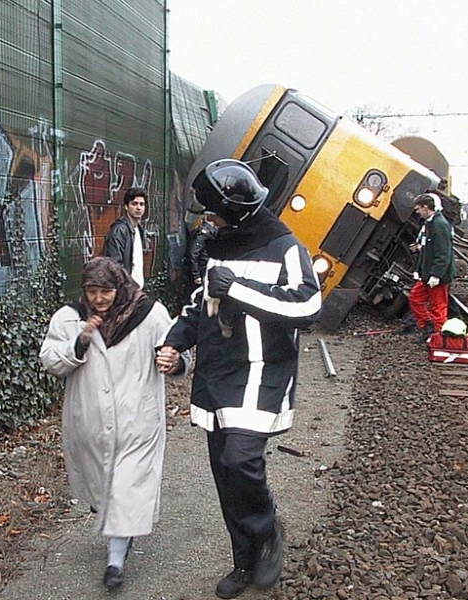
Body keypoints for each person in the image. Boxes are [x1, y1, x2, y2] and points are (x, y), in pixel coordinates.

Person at [156, 159, 322, 599]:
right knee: (224, 475)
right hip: (218, 372)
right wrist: (176, 342)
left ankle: (267, 531)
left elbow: (308, 308)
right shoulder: (219, 244)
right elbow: (200, 302)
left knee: (240, 460)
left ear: (235, 209)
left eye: (212, 213)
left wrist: (239, 290)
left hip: (263, 372)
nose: (207, 221)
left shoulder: (285, 246)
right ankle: (244, 562)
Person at [39, 257, 187, 589]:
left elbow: (176, 349)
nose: (99, 299)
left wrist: (174, 362)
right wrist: (80, 342)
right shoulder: (70, 317)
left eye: (105, 291)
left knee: (125, 489)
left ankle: (115, 561)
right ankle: (118, 530)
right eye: (92, 291)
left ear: (118, 287)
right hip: (89, 423)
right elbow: (50, 359)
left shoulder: (148, 314)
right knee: (102, 491)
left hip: (138, 420)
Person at [406, 192, 456, 343]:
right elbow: (427, 249)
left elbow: (443, 253)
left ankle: (438, 339)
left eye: (418, 209)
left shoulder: (439, 225)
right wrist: (419, 270)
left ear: (426, 207)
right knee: (415, 297)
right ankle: (428, 328)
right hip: (428, 274)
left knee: (438, 307)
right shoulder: (430, 223)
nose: (417, 212)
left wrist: (436, 275)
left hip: (436, 276)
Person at [103, 187, 148, 287]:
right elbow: (114, 265)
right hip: (126, 291)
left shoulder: (138, 229)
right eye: (134, 203)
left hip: (136, 289)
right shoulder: (119, 230)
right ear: (126, 206)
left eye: (142, 204)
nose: (138, 208)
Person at [184, 215, 217, 298]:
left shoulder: (210, 230)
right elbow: (193, 253)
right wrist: (196, 275)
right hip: (201, 270)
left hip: (205, 269)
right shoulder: (202, 232)